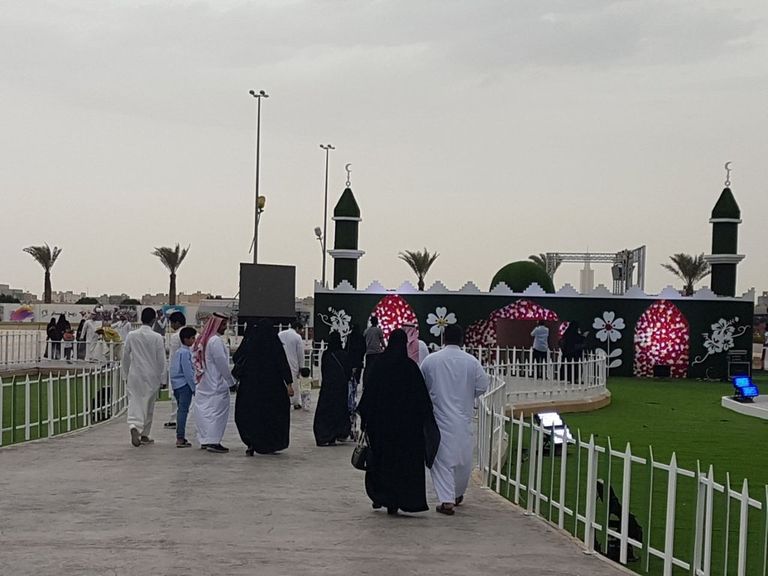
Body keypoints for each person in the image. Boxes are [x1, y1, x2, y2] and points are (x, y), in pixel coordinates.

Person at [357, 329, 440, 516]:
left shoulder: (379, 366)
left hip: (381, 428)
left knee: (382, 462)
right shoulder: (410, 368)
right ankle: (403, 498)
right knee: (403, 464)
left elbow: (369, 395)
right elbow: (423, 401)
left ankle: (381, 496)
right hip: (406, 432)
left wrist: (366, 421)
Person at [421, 324, 489, 515]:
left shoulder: (431, 361)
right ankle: (457, 494)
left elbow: (422, 385)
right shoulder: (471, 361)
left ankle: (447, 499)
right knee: (463, 459)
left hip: (439, 417)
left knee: (441, 460)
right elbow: (483, 385)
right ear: (462, 340)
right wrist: (468, 395)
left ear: (443, 339)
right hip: (463, 416)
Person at [233, 320, 294, 455]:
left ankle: (251, 442)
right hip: (273, 388)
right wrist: (289, 383)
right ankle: (270, 443)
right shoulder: (274, 344)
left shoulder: (250, 344)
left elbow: (237, 357)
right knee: (272, 415)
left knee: (251, 414)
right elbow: (282, 363)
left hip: (250, 387)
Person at [122, 307, 167, 447]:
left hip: (135, 374)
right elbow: (161, 360)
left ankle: (134, 426)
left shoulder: (131, 335)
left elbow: (125, 356)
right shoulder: (157, 337)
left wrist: (125, 373)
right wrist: (163, 379)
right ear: (154, 320)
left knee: (135, 400)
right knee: (148, 403)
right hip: (151, 375)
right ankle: (144, 433)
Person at [193, 313, 236, 453]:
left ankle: (205, 439)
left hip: (205, 383)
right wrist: (230, 381)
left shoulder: (205, 339)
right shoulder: (215, 341)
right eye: (223, 324)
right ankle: (213, 441)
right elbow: (221, 363)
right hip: (216, 383)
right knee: (216, 414)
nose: (225, 327)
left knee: (205, 412)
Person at [313, 332, 352, 446]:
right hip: (340, 388)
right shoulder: (344, 355)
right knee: (338, 410)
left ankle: (324, 434)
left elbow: (323, 370)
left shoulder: (326, 354)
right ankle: (337, 433)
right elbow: (348, 371)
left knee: (326, 411)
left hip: (328, 388)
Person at [169, 326, 197, 448]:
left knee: (181, 409)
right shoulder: (185, 353)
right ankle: (180, 437)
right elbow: (188, 372)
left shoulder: (178, 352)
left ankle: (180, 436)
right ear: (186, 339)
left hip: (176, 384)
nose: (194, 340)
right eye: (192, 338)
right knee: (183, 411)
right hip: (184, 385)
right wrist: (194, 387)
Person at [163, 312, 187, 429]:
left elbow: (173, 356)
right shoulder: (193, 334)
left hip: (178, 370)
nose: (171, 325)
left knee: (175, 396)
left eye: (172, 323)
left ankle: (174, 419)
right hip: (189, 369)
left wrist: (170, 371)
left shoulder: (175, 336)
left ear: (177, 323)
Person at [278, 321, 305, 410]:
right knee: (294, 383)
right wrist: (301, 366)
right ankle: (295, 402)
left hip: (280, 361)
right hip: (293, 362)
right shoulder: (297, 337)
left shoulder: (280, 334)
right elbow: (300, 353)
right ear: (297, 328)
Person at [363, 315, 386, 389]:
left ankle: (365, 384)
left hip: (369, 352)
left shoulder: (366, 331)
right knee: (378, 368)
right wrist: (386, 348)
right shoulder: (378, 330)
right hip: (377, 352)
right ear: (377, 322)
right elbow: (382, 342)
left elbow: (364, 341)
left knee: (367, 369)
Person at [345, 323, 366, 395]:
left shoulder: (350, 337)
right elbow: (364, 348)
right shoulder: (361, 337)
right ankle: (355, 386)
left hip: (350, 358)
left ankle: (351, 388)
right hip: (358, 358)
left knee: (350, 374)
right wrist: (362, 355)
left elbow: (346, 347)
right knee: (357, 375)